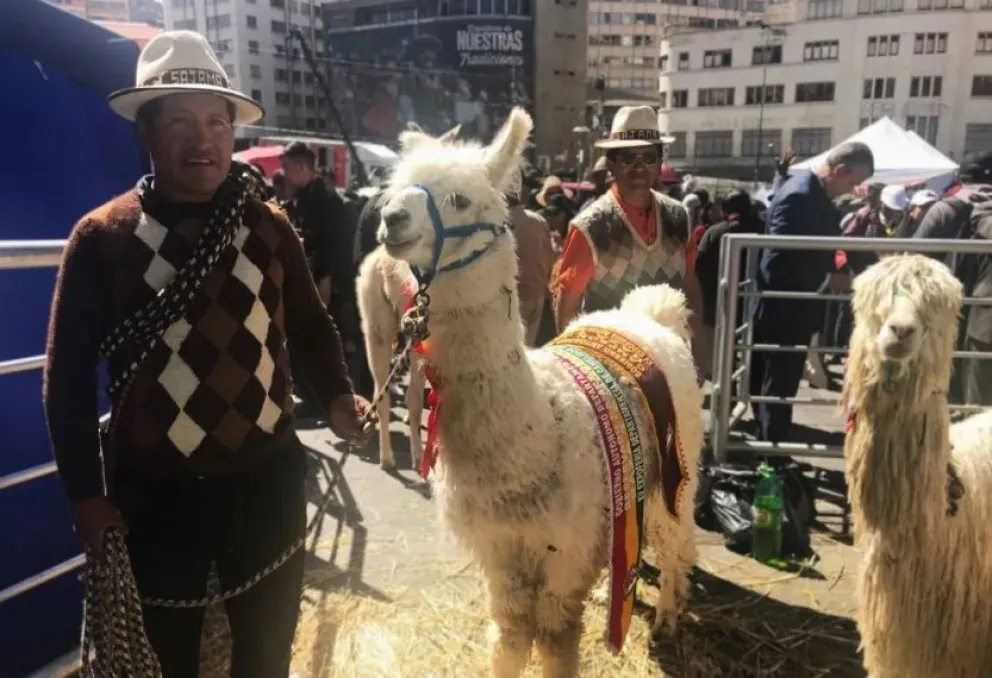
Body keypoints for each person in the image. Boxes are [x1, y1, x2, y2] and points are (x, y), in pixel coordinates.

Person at [42, 31, 374, 677]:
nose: (204, 140)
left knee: (266, 653)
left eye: (217, 122)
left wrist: (336, 395)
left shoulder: (270, 227)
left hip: (268, 481)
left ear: (232, 132)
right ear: (148, 133)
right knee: (165, 659)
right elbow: (67, 380)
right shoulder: (101, 239)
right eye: (182, 122)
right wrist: (86, 495)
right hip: (156, 495)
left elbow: (309, 324)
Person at [553, 105, 709, 375]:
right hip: (609, 372)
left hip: (668, 366)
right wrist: (576, 370)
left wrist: (699, 349)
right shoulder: (590, 227)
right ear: (611, 163)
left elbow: (689, 284)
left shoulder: (679, 217)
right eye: (628, 157)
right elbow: (568, 303)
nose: (639, 167)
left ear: (660, 162)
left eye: (648, 156)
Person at [750, 141, 874, 443]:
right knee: (777, 385)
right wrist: (827, 277)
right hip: (784, 309)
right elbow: (777, 258)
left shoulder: (809, 191)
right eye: (852, 182)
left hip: (794, 306)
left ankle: (772, 448)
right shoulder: (801, 195)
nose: (851, 190)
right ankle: (772, 456)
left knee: (779, 384)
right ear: (840, 170)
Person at [508, 192, 554, 346]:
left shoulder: (500, 223)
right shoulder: (538, 220)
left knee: (512, 349)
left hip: (512, 297)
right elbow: (549, 255)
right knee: (529, 345)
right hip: (537, 293)